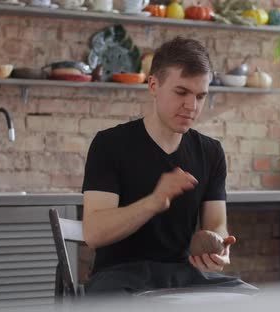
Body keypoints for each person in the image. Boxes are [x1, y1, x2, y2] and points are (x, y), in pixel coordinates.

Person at [81, 37, 256, 295]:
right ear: (153, 85)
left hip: (184, 277)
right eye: (181, 92)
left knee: (253, 299)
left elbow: (216, 223)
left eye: (200, 96)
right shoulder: (109, 144)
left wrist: (218, 246)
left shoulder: (211, 152)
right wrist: (154, 201)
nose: (192, 106)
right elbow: (94, 233)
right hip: (119, 279)